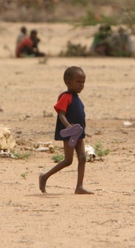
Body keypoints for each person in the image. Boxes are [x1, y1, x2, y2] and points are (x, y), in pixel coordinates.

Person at [39, 66, 93, 195]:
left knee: (82, 157)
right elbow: (61, 114)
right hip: (70, 133)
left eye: (83, 82)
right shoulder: (66, 97)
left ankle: (79, 186)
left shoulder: (76, 98)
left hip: (78, 132)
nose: (82, 85)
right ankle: (44, 177)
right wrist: (68, 126)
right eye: (78, 82)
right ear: (68, 82)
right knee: (68, 160)